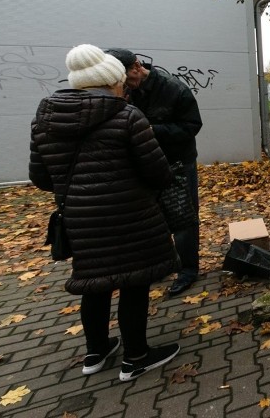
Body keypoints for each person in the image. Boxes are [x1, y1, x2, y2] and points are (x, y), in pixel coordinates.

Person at [29, 44, 181, 381]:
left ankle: (96, 352)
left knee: (93, 283)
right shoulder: (128, 117)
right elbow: (158, 173)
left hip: (81, 220)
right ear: (112, 81)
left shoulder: (45, 119)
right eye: (121, 83)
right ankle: (136, 357)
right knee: (133, 282)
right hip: (132, 216)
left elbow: (40, 177)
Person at [105, 48, 203, 295]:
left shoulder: (174, 89)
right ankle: (164, 264)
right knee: (153, 219)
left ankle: (188, 270)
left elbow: (191, 127)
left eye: (127, 79)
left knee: (183, 218)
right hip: (142, 165)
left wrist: (150, 129)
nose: (125, 85)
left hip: (177, 164)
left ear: (137, 66)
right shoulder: (124, 90)